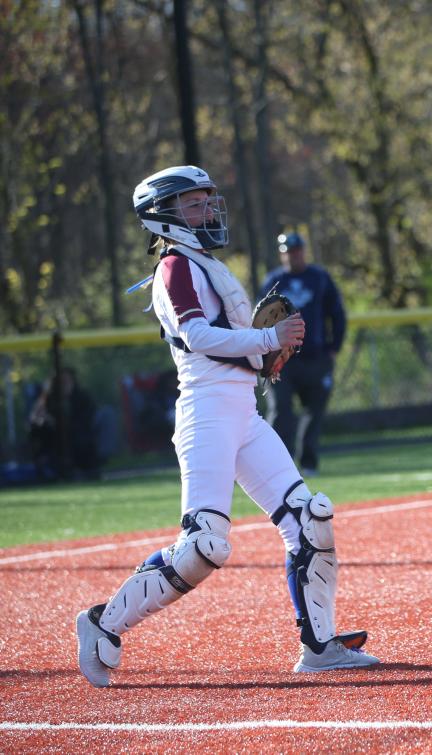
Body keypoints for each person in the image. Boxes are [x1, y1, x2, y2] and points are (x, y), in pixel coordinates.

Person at [74, 165, 378, 688]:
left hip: (242, 410)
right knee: (204, 546)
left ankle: (319, 647)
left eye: (208, 201)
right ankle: (102, 623)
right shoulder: (176, 267)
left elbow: (232, 348)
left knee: (309, 520)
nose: (208, 211)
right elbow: (197, 337)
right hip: (208, 413)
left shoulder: (204, 263)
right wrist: (268, 339)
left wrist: (269, 357)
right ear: (164, 216)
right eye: (194, 204)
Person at [260, 231, 346, 474]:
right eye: (288, 252)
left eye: (297, 251)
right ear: (282, 254)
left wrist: (334, 347)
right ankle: (278, 467)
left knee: (314, 412)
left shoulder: (319, 277)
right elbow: (259, 321)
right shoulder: (273, 282)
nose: (293, 256)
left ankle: (308, 463)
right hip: (283, 362)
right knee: (280, 413)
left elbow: (337, 314)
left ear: (303, 252)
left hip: (315, 358)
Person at [28, 366, 102, 480]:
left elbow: (85, 422)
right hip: (53, 444)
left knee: (82, 443)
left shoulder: (83, 398)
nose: (64, 385)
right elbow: (35, 424)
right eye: (60, 382)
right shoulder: (47, 401)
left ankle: (83, 472)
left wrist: (61, 424)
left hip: (80, 443)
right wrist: (44, 421)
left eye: (67, 381)